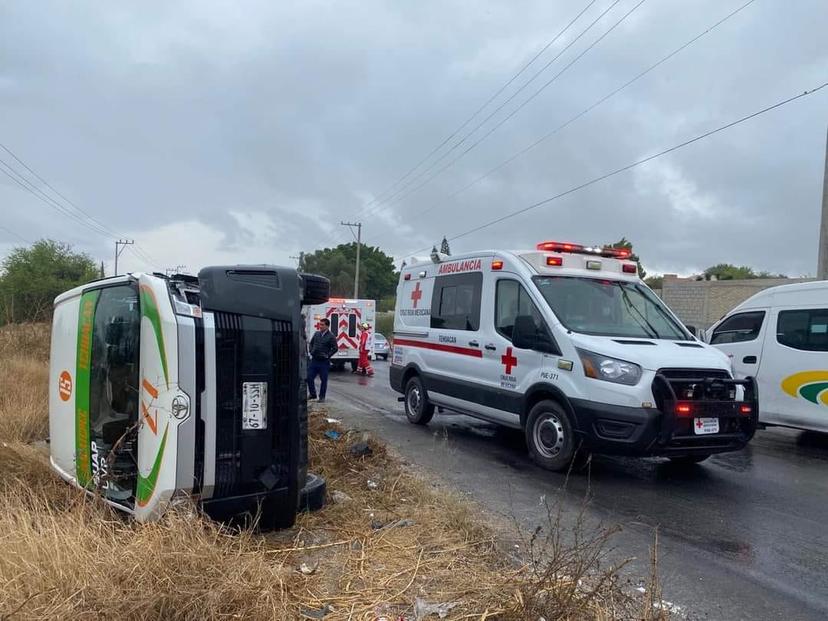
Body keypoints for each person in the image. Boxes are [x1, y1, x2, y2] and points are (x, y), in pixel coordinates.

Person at [307, 318, 338, 402]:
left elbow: (335, 348)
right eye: (320, 324)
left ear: (327, 326)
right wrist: (311, 350)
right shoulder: (317, 334)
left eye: (322, 325)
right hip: (314, 360)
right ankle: (313, 394)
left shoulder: (331, 336)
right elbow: (311, 343)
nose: (320, 326)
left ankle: (322, 397)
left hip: (324, 362)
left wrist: (328, 355)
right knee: (309, 377)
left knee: (323, 380)